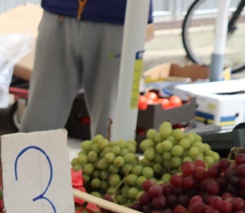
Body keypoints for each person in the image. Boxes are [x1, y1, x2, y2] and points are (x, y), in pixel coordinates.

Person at [21, 0, 151, 137]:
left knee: (110, 123)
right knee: (38, 119)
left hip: (119, 18)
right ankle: (29, 151)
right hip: (59, 12)